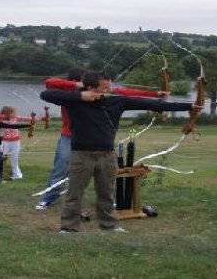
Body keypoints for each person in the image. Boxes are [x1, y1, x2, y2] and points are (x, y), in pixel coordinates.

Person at [40, 70, 202, 233]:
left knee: (107, 194)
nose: (108, 90)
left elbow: (152, 104)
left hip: (108, 155)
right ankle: (69, 227)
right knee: (74, 194)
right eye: (103, 87)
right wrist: (80, 96)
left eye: (109, 86)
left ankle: (109, 225)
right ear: (89, 87)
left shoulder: (116, 101)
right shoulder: (74, 100)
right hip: (81, 154)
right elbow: (46, 93)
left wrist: (189, 106)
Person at [35, 68, 169, 210]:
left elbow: (127, 93)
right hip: (70, 136)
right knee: (61, 167)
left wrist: (156, 94)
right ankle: (49, 198)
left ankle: (112, 200)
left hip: (95, 138)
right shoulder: (69, 95)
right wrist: (78, 86)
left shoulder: (103, 92)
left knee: (107, 170)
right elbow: (49, 83)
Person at [0, 106, 38, 180]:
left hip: (15, 141)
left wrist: (34, 118)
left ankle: (17, 175)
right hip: (4, 141)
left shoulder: (15, 117)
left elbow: (31, 119)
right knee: (0, 157)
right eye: (12, 113)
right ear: (6, 113)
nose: (14, 114)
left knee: (14, 158)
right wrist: (1, 116)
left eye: (13, 112)